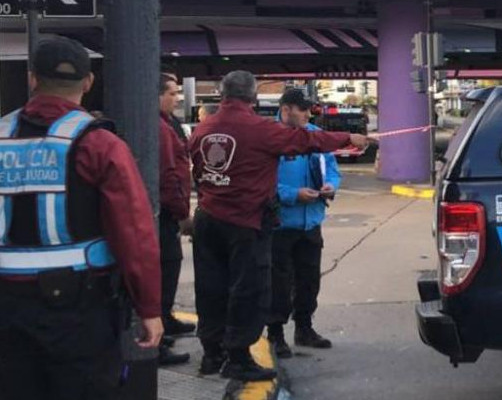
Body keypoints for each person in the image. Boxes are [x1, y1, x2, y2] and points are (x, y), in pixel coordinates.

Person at [0, 36, 163, 399]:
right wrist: (149, 307)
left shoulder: (2, 136)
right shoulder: (99, 144)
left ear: (32, 78)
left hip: (7, 310)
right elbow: (134, 234)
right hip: (79, 311)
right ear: (87, 83)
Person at [189, 70, 367, 381]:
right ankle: (238, 358)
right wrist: (348, 138)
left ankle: (210, 354)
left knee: (210, 288)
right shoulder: (258, 129)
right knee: (248, 290)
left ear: (222, 94)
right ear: (253, 97)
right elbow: (307, 140)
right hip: (245, 221)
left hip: (207, 217)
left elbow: (194, 170)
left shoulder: (204, 128)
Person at [267, 88, 341, 357]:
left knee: (309, 279)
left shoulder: (314, 135)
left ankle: (304, 328)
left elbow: (331, 166)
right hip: (281, 224)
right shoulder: (271, 137)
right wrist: (292, 195)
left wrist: (331, 184)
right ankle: (275, 333)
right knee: (278, 283)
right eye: (304, 109)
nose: (309, 114)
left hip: (311, 223)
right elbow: (264, 183)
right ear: (286, 110)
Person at [158, 73, 194, 366]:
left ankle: (165, 319)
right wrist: (183, 212)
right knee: (165, 267)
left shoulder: (170, 124)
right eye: (172, 92)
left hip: (169, 209)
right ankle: (155, 340)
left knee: (171, 265)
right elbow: (169, 174)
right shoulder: (160, 127)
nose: (177, 97)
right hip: (165, 211)